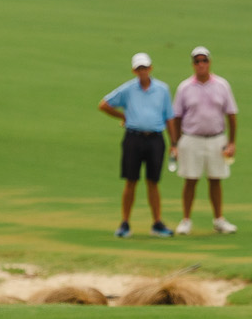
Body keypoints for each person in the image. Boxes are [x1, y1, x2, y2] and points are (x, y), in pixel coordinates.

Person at [100, 52, 174, 238]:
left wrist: (174, 143)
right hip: (133, 138)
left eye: (145, 68)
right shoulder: (128, 89)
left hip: (156, 138)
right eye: (139, 68)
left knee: (153, 182)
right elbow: (104, 104)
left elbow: (170, 117)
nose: (142, 71)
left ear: (150, 68)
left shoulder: (162, 89)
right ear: (134, 70)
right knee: (130, 181)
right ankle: (125, 223)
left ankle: (157, 222)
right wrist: (123, 116)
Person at [170, 45, 239, 236]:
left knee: (216, 179)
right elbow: (176, 117)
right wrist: (175, 143)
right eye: (197, 61)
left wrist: (232, 142)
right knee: (190, 179)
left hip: (217, 138)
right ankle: (186, 220)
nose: (201, 64)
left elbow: (231, 115)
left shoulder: (222, 85)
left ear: (209, 63)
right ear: (193, 65)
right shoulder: (185, 87)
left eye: (204, 61)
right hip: (192, 138)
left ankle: (219, 220)